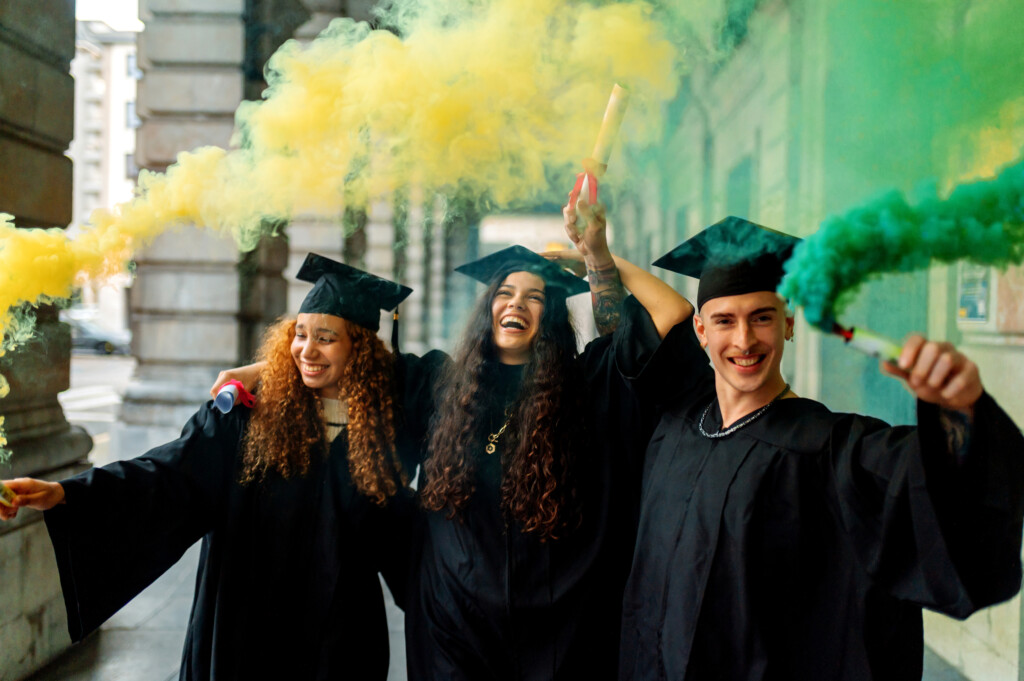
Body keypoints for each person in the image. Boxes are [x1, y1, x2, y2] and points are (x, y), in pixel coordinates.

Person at [614, 216, 1024, 680]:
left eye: (762, 317)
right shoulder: (680, 426)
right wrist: (599, 258)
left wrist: (961, 414)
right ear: (702, 331)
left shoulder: (830, 451)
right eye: (725, 321)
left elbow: (940, 494)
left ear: (788, 323)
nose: (744, 340)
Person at [0, 254, 419, 681]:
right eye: (299, 334)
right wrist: (70, 494)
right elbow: (169, 474)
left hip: (341, 639)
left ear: (361, 350)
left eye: (326, 339)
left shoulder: (383, 430)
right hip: (247, 631)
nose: (306, 350)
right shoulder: (246, 416)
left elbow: (405, 534)